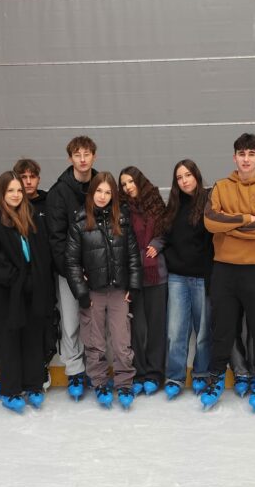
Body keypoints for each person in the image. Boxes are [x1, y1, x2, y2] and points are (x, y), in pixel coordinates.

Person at [201, 133, 255, 411]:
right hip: (224, 269)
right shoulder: (221, 186)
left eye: (252, 154)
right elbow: (211, 221)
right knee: (222, 328)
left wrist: (230, 229)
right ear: (234, 157)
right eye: (241, 154)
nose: (246, 159)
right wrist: (247, 219)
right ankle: (216, 378)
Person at [65, 172, 142, 409]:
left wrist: (134, 285)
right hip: (93, 293)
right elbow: (72, 261)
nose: (103, 196)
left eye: (108, 192)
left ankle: (125, 383)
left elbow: (132, 255)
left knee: (121, 341)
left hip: (119, 291)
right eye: (99, 191)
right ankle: (99, 382)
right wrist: (82, 292)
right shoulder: (79, 221)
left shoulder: (122, 219)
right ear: (92, 192)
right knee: (95, 341)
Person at [0, 172, 56, 413]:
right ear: (1, 193)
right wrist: (19, 280)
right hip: (7, 293)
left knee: (33, 337)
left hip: (33, 289)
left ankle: (34, 384)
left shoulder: (31, 217)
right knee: (9, 340)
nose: (15, 195)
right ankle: (11, 389)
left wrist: (36, 280)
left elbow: (41, 253)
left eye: (18, 191)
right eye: (10, 191)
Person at [46, 136, 99, 400]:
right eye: (77, 154)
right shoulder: (58, 192)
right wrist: (73, 272)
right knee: (71, 324)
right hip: (70, 272)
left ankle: (95, 370)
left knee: (96, 323)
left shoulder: (103, 185)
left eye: (86, 154)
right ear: (70, 159)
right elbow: (55, 239)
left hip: (100, 270)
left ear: (94, 156)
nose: (82, 159)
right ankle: (75, 372)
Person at [162, 160, 213, 399]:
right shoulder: (172, 207)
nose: (184, 180)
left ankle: (202, 375)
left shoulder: (210, 200)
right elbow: (165, 238)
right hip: (177, 278)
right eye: (180, 177)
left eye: (188, 175)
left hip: (203, 277)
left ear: (196, 175)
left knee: (203, 332)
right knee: (175, 331)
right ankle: (174, 377)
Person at [119, 165, 168, 395]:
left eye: (131, 182)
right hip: (135, 276)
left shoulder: (156, 203)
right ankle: (138, 373)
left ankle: (155, 374)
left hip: (157, 275)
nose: (128, 187)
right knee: (137, 328)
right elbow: (122, 242)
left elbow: (167, 231)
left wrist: (157, 244)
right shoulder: (122, 210)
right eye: (124, 184)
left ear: (139, 181)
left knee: (157, 327)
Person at [14, 157, 56, 380]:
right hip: (17, 278)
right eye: (23, 177)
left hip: (45, 278)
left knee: (45, 321)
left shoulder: (49, 202)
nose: (28, 182)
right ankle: (21, 368)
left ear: (38, 179)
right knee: (21, 322)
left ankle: (42, 365)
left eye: (32, 177)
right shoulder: (8, 204)